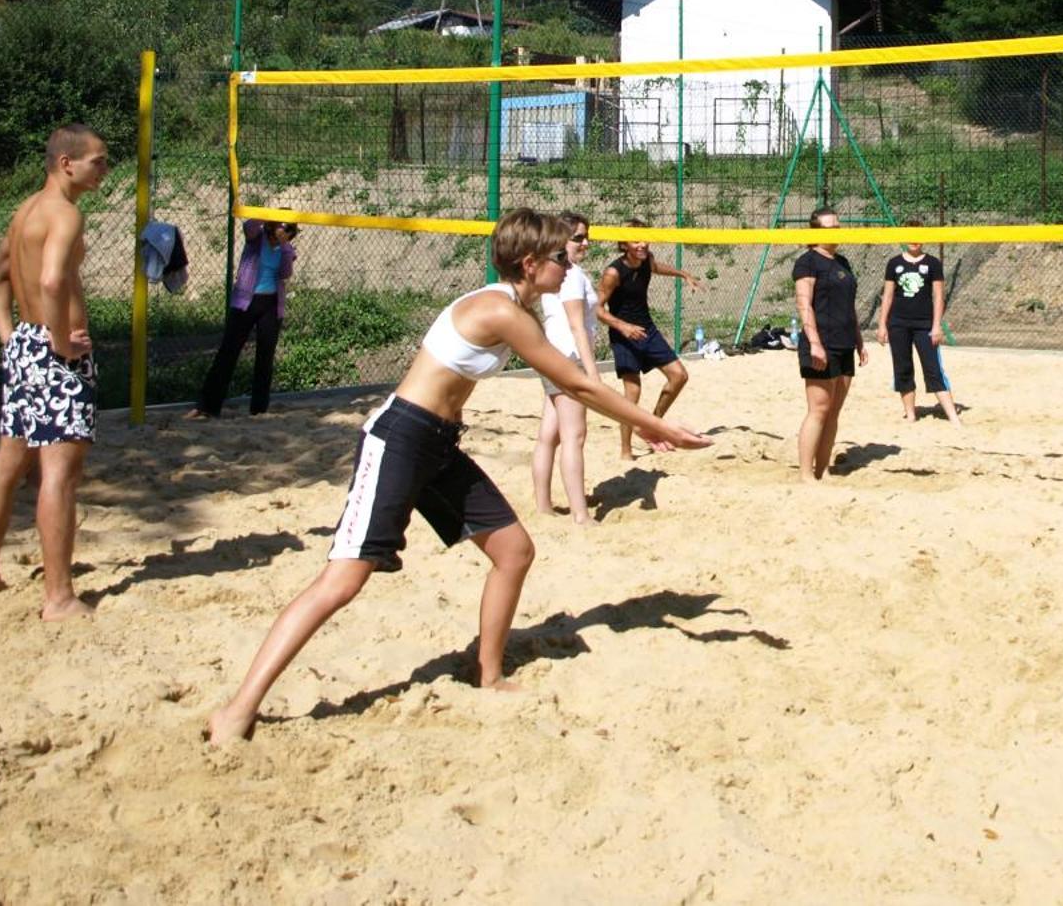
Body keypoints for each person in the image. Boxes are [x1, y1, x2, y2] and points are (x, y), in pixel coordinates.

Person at [207, 208, 709, 745]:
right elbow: (581, 387)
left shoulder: (519, 305)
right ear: (531, 263)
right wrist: (660, 427)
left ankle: (488, 676)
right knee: (343, 580)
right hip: (400, 439)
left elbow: (575, 380)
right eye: (562, 256)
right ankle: (238, 709)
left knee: (514, 552)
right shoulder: (501, 311)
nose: (571, 264)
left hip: (439, 444)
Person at [0, 123, 112, 620]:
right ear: (66, 162)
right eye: (98, 160)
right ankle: (58, 598)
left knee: (9, 462)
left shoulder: (24, 211)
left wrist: (10, 335)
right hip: (57, 352)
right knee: (59, 474)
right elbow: (52, 279)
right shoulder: (64, 215)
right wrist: (57, 340)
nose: (105, 169)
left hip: (26, 346)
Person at [595, 224, 697, 461]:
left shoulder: (646, 260)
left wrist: (683, 274)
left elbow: (656, 267)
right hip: (623, 334)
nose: (642, 244)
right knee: (633, 392)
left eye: (644, 240)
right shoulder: (613, 273)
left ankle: (654, 423)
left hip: (647, 330)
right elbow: (596, 308)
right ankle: (625, 451)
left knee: (679, 375)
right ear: (624, 245)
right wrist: (623, 326)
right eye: (635, 241)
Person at [530, 213, 603, 523]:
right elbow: (577, 327)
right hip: (568, 358)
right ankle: (580, 515)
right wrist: (593, 374)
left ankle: (544, 506)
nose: (585, 243)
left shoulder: (555, 271)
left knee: (550, 433)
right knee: (575, 435)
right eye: (578, 238)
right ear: (561, 241)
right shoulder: (569, 274)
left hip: (551, 355)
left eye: (587, 237)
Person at [191, 220, 299, 419]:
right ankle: (207, 407)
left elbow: (285, 273)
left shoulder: (287, 249)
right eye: (282, 226)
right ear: (273, 225)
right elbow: (248, 225)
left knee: (265, 359)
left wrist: (284, 245)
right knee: (228, 353)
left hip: (271, 305)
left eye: (288, 228)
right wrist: (266, 214)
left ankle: (259, 410)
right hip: (245, 302)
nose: (285, 231)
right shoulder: (256, 238)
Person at [794, 206, 867, 482]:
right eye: (830, 228)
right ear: (815, 232)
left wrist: (859, 342)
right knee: (818, 410)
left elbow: (849, 307)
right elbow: (804, 304)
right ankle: (805, 474)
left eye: (838, 226)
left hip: (845, 343)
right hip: (821, 343)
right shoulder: (807, 261)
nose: (837, 231)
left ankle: (822, 469)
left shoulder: (843, 262)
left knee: (833, 411)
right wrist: (814, 342)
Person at [876, 234, 957, 424]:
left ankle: (953, 416)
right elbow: (887, 296)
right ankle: (910, 415)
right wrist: (882, 325)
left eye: (919, 236)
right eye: (910, 236)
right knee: (902, 367)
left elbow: (938, 296)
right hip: (898, 324)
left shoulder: (933, 263)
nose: (914, 240)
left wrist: (937, 325)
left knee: (933, 368)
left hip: (925, 324)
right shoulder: (894, 263)